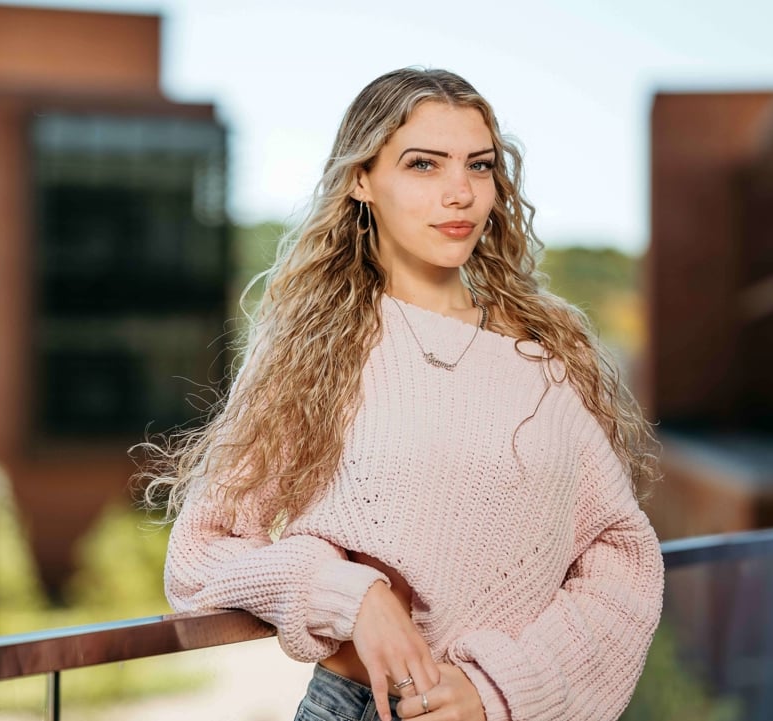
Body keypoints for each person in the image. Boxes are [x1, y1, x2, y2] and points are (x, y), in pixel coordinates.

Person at [140, 67, 665, 721]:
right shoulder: (314, 353)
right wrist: (349, 593)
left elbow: (621, 557)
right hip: (358, 706)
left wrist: (500, 689)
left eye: (479, 166)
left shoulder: (542, 355)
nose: (461, 193)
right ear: (362, 179)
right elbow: (198, 556)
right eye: (424, 164)